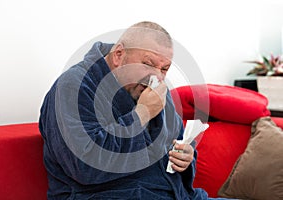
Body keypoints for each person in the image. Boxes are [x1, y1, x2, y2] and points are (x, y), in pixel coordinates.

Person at [39, 21, 219, 199]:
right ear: (118, 55)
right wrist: (142, 114)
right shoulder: (73, 87)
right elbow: (85, 167)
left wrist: (185, 158)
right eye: (148, 64)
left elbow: (176, 142)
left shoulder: (155, 88)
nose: (157, 77)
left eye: (164, 69)